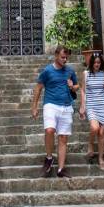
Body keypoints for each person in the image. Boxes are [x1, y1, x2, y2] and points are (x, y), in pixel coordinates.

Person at [31, 45, 79, 178]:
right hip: (50, 105)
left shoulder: (70, 71)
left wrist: (72, 87)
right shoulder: (47, 71)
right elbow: (38, 88)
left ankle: (61, 169)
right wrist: (34, 106)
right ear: (56, 55)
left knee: (63, 137)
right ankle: (49, 157)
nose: (65, 60)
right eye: (63, 57)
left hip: (66, 106)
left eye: (66, 58)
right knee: (49, 130)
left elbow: (76, 87)